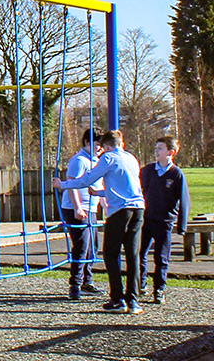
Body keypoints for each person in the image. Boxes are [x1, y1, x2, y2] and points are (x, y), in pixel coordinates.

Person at [53, 130, 145, 314]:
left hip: (120, 211)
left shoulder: (108, 158)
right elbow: (126, 185)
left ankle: (117, 299)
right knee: (133, 254)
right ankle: (133, 300)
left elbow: (87, 180)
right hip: (138, 208)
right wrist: (101, 193)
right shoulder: (131, 158)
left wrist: (62, 185)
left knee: (111, 254)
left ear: (107, 146)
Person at [138, 136, 190, 305]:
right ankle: (141, 284)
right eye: (156, 148)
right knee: (140, 253)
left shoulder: (176, 174)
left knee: (161, 258)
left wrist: (181, 226)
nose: (156, 151)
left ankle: (159, 289)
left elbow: (184, 200)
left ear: (170, 152)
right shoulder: (147, 171)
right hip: (146, 219)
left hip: (164, 221)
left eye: (160, 148)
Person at [60, 129, 106, 300]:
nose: (100, 148)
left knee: (93, 247)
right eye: (98, 144)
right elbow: (72, 184)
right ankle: (75, 284)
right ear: (88, 142)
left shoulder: (97, 161)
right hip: (76, 208)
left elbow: (98, 186)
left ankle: (87, 281)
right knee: (81, 246)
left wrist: (104, 204)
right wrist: (78, 208)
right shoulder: (79, 160)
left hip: (91, 208)